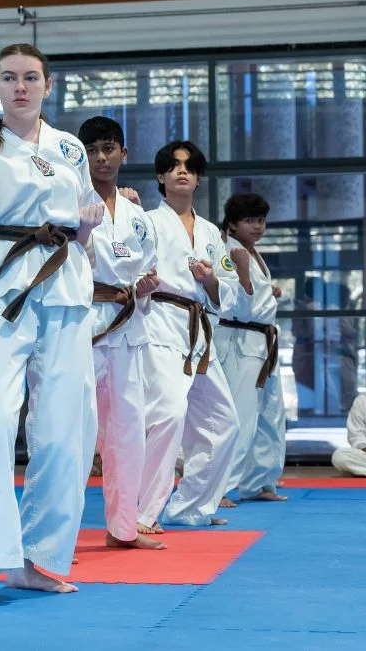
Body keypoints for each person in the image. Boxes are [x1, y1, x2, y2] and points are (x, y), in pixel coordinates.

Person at [0, 42, 103, 610]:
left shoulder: (69, 147)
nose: (21, 87)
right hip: (0, 286)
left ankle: (41, 560)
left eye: (31, 77)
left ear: (48, 85)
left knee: (63, 433)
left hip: (63, 284)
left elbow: (85, 215)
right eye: (8, 78)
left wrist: (89, 219)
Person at [137, 141, 249, 532]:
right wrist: (142, 283)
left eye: (189, 167)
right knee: (168, 414)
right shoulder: (146, 221)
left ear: (199, 178)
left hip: (199, 331)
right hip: (160, 322)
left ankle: (190, 507)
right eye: (173, 166)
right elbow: (127, 268)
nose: (181, 171)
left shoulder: (211, 235)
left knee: (225, 423)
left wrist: (210, 279)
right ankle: (142, 514)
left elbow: (229, 290)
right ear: (161, 177)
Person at [77, 116, 164, 551]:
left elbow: (146, 270)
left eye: (109, 148)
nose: (101, 157)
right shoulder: (70, 202)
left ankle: (123, 529)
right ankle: (53, 539)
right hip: (82, 327)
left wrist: (144, 290)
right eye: (92, 150)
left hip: (127, 328)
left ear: (124, 154)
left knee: (128, 432)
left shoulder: (138, 217)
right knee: (73, 432)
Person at [215, 194, 287, 504]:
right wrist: (267, 296)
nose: (257, 226)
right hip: (240, 339)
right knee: (240, 416)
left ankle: (259, 480)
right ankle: (218, 489)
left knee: (271, 414)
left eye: (260, 220)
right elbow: (238, 302)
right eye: (249, 220)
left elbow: (253, 293)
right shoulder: (228, 252)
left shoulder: (252, 252)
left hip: (263, 340)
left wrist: (267, 292)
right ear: (232, 224)